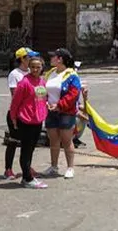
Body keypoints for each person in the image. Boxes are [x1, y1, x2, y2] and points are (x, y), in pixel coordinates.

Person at [41, 48, 82, 179]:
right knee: (53, 140)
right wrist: (44, 102)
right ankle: (54, 166)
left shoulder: (72, 75)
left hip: (66, 112)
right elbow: (42, 90)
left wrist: (59, 106)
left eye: (53, 56)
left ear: (60, 59)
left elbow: (73, 95)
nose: (51, 59)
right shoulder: (50, 73)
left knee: (66, 140)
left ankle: (70, 167)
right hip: (50, 111)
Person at [9, 56, 49, 189]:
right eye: (33, 67)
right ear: (29, 67)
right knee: (26, 150)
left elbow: (42, 99)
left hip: (37, 120)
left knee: (31, 149)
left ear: (42, 67)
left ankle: (27, 175)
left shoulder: (42, 81)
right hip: (25, 120)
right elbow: (15, 102)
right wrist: (14, 118)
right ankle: (27, 178)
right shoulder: (24, 82)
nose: (35, 69)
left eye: (38, 67)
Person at [4, 47, 40, 180]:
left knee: (28, 144)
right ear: (22, 59)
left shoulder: (34, 74)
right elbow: (15, 96)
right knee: (13, 141)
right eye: (29, 57)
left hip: (31, 115)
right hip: (17, 114)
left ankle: (26, 166)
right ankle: (8, 169)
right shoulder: (15, 74)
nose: (32, 59)